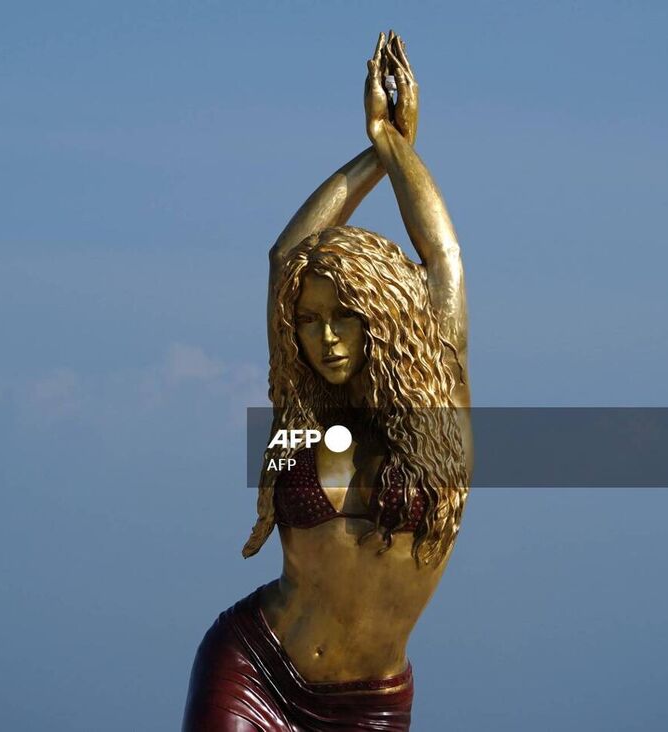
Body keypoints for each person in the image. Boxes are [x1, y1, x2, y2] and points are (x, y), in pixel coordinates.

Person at [183, 30, 473, 731]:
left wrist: (393, 143)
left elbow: (442, 256)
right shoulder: (303, 412)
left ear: (385, 316)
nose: (325, 338)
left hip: (368, 705)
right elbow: (287, 255)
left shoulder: (438, 408)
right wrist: (371, 152)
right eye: (309, 322)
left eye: (345, 317)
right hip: (254, 665)